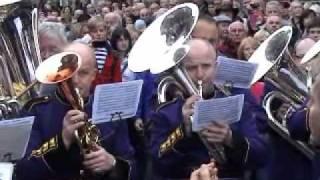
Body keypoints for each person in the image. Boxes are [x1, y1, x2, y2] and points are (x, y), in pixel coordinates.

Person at [150, 39, 267, 179]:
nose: (200, 74)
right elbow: (156, 162)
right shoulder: (166, 113)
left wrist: (230, 138)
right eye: (191, 68)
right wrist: (183, 130)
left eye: (206, 66)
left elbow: (261, 156)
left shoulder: (236, 104)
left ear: (216, 67)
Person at [15, 43, 135, 180]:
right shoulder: (36, 111)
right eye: (68, 72)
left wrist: (112, 163)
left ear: (94, 75)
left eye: (83, 73)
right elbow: (24, 169)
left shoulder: (110, 107)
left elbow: (132, 163)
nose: (75, 80)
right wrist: (62, 139)